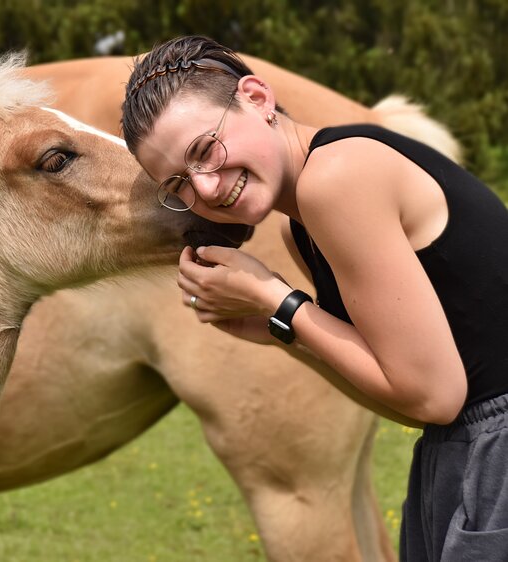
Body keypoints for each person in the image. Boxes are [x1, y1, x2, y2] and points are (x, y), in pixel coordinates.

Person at [121, 35, 508, 561]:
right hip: (464, 452)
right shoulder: (300, 226)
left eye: (204, 150)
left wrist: (281, 301)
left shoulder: (336, 178)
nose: (206, 189)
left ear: (257, 98)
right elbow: (420, 406)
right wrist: (280, 331)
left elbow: (433, 395)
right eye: (179, 185)